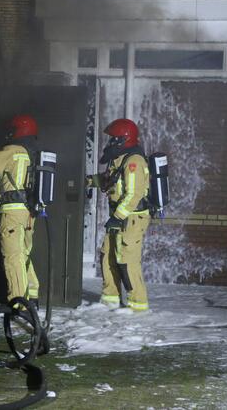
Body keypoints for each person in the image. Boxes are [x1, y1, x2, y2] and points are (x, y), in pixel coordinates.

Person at [86, 118, 151, 311]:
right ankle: (110, 299)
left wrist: (117, 217)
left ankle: (137, 305)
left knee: (127, 260)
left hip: (132, 218)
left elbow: (134, 194)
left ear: (123, 139)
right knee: (107, 255)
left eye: (113, 138)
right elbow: (110, 180)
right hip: (119, 216)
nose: (110, 142)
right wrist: (87, 181)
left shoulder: (134, 161)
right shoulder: (120, 159)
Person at [0, 114, 40, 306]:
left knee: (13, 257)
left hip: (12, 212)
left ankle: (19, 303)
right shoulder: (33, 153)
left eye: (11, 130)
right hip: (29, 213)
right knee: (23, 254)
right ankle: (32, 294)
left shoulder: (11, 151)